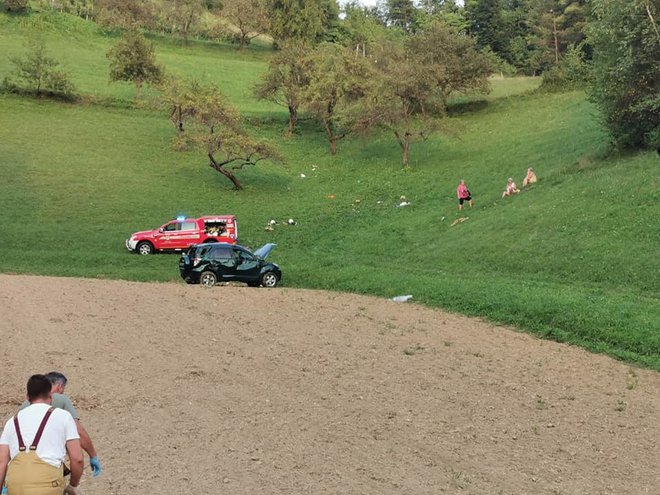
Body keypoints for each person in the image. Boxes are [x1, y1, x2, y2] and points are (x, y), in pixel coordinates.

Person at [0, 374, 84, 495]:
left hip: (15, 484)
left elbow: (2, 463)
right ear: (50, 395)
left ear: (27, 397)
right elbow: (78, 459)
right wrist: (73, 485)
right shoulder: (63, 416)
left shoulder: (12, 422)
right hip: (48, 484)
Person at [19, 372, 101, 478]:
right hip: (47, 470)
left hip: (20, 469)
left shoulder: (24, 407)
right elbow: (78, 431)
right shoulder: (61, 399)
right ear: (59, 387)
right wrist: (93, 455)